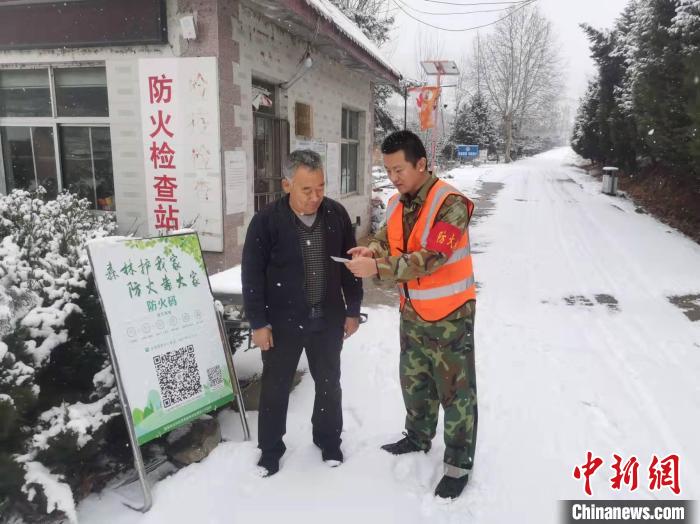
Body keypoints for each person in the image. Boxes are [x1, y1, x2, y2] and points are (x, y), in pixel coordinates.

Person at [345, 130, 477, 500]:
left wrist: (379, 270)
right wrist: (370, 250)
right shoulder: (397, 203)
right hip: (414, 313)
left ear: (421, 164)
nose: (394, 177)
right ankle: (418, 437)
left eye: (399, 169)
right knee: (415, 381)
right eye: (388, 170)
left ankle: (458, 464)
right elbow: (385, 239)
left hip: (451, 316)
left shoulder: (451, 204)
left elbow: (432, 258)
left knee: (456, 393)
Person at [242, 149, 363, 477]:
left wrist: (353, 309)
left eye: (321, 188)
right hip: (281, 322)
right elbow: (251, 275)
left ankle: (328, 439)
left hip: (328, 318)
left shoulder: (336, 215)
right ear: (286, 185)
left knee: (328, 382)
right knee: (275, 386)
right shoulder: (266, 221)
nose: (315, 197)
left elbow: (351, 268)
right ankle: (270, 450)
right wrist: (258, 322)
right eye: (307, 190)